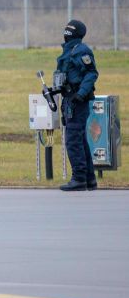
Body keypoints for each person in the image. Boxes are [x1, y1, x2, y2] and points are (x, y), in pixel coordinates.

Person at [54, 19, 98, 192]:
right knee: (79, 139)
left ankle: (79, 178)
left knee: (73, 140)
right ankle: (89, 180)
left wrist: (80, 94)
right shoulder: (69, 51)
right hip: (69, 99)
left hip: (77, 101)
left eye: (69, 31)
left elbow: (91, 73)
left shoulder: (81, 50)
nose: (66, 33)